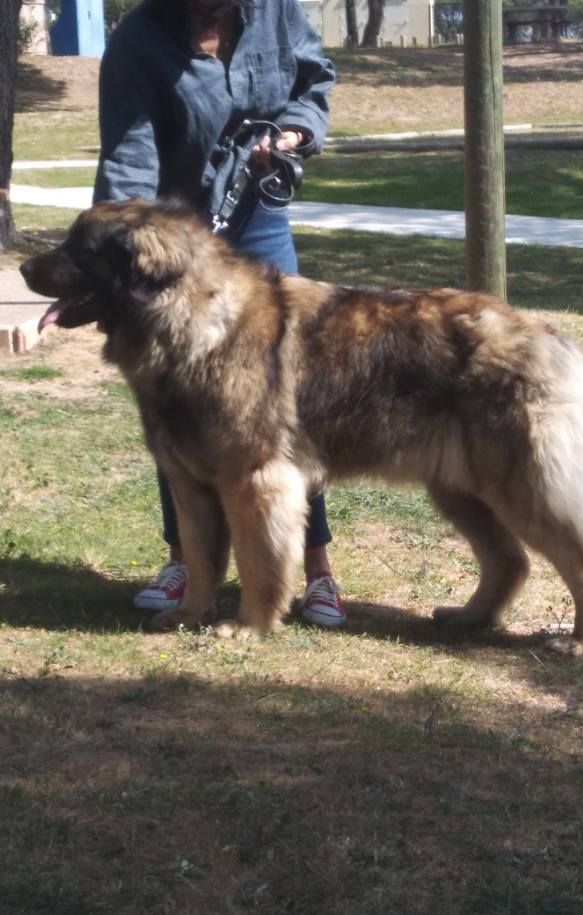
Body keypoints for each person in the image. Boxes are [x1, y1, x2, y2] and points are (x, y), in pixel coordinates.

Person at [93, 0, 345, 628]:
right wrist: (119, 269)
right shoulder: (138, 41)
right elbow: (129, 162)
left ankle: (316, 570)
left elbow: (314, 81)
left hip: (259, 223)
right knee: (175, 396)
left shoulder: (276, 14)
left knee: (282, 404)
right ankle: (188, 564)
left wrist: (291, 133)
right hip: (176, 238)